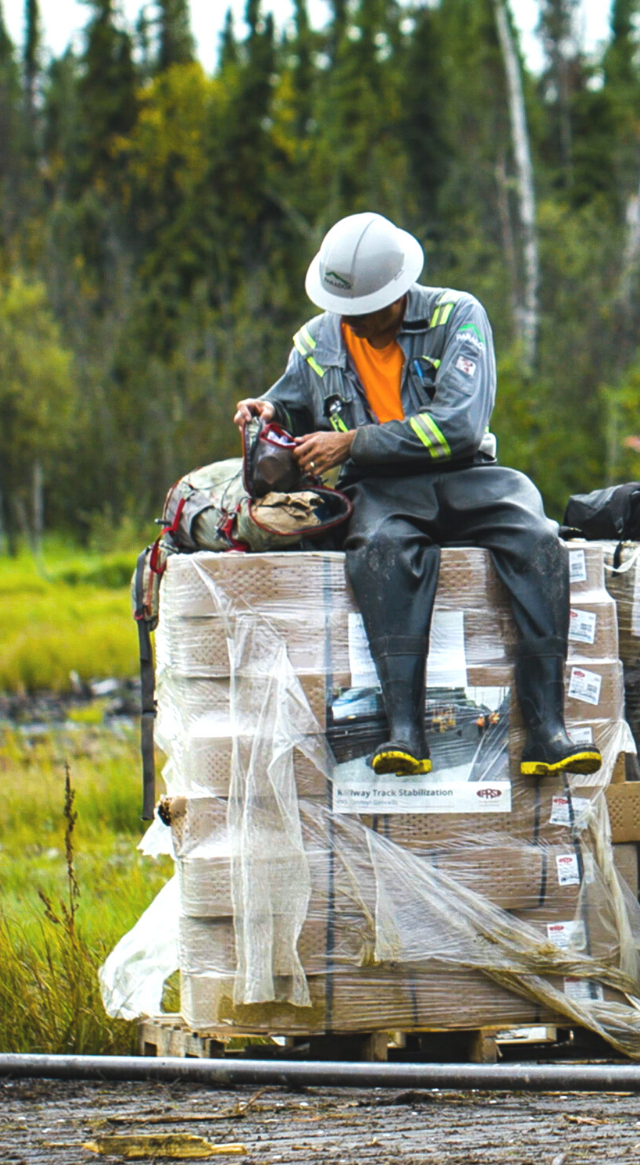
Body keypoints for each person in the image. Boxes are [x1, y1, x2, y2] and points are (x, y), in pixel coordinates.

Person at [233, 212, 597, 779]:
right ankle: (406, 730)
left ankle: (547, 730)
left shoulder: (458, 317)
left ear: (400, 292)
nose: (355, 324)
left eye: (368, 312)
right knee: (382, 546)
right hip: (380, 490)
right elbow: (291, 401)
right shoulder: (314, 340)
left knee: (537, 537)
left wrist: (353, 441)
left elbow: (459, 426)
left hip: (465, 474)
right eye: (346, 313)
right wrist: (267, 411)